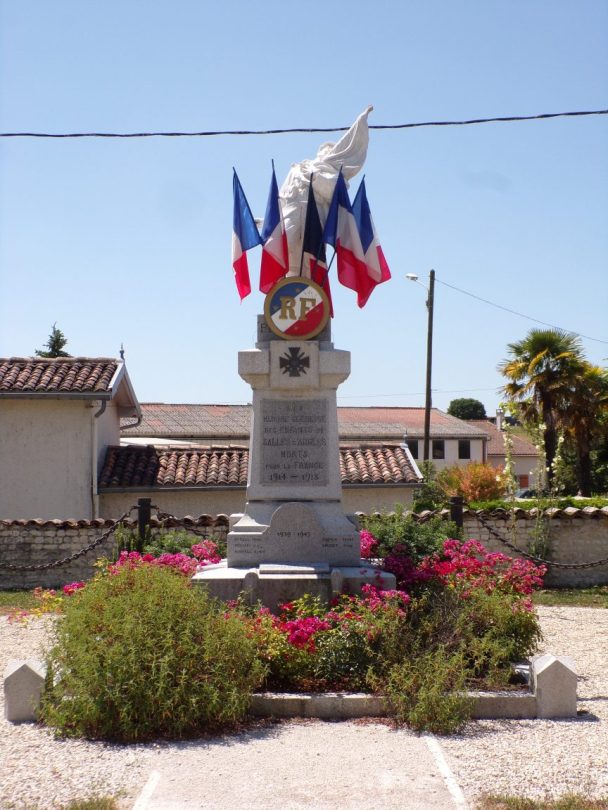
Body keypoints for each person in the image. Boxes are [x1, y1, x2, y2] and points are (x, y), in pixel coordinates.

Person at [279, 105, 373, 275]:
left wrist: (315, 177)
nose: (325, 153)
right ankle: (283, 286)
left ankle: (305, 291)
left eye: (329, 151)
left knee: (308, 261)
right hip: (291, 212)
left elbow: (334, 192)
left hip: (314, 218)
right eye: (323, 150)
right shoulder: (298, 168)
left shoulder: (334, 176)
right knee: (284, 249)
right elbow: (281, 197)